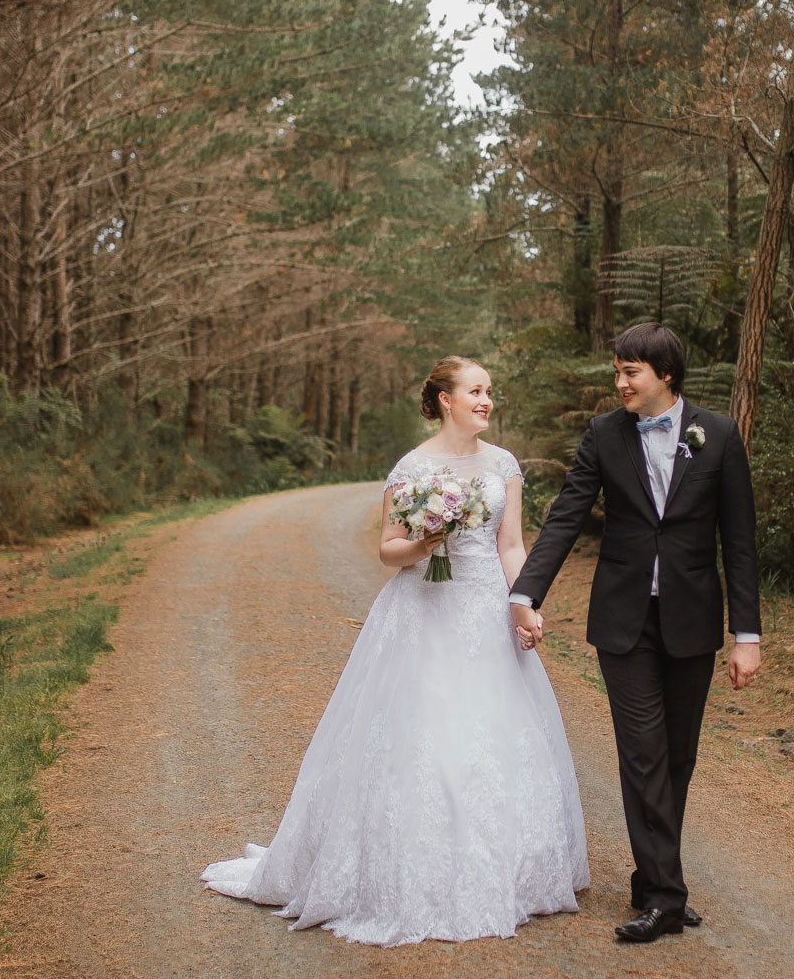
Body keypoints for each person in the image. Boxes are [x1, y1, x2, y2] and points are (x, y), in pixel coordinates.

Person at [200, 357, 588, 946]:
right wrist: (425, 540)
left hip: (484, 607)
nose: (487, 400)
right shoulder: (413, 467)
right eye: (475, 391)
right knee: (419, 732)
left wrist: (524, 602)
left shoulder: (503, 465)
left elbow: (510, 544)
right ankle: (406, 872)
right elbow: (387, 549)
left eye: (490, 391)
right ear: (444, 400)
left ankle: (506, 870)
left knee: (493, 731)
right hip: (422, 610)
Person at [508, 323, 761, 943]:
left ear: (665, 375)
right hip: (624, 621)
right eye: (617, 372)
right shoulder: (604, 434)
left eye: (631, 373)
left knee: (678, 756)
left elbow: (740, 541)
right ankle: (668, 898)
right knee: (643, 752)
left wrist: (746, 634)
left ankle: (653, 881)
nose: (619, 384)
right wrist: (524, 591)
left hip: (692, 620)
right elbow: (567, 513)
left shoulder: (719, 435)